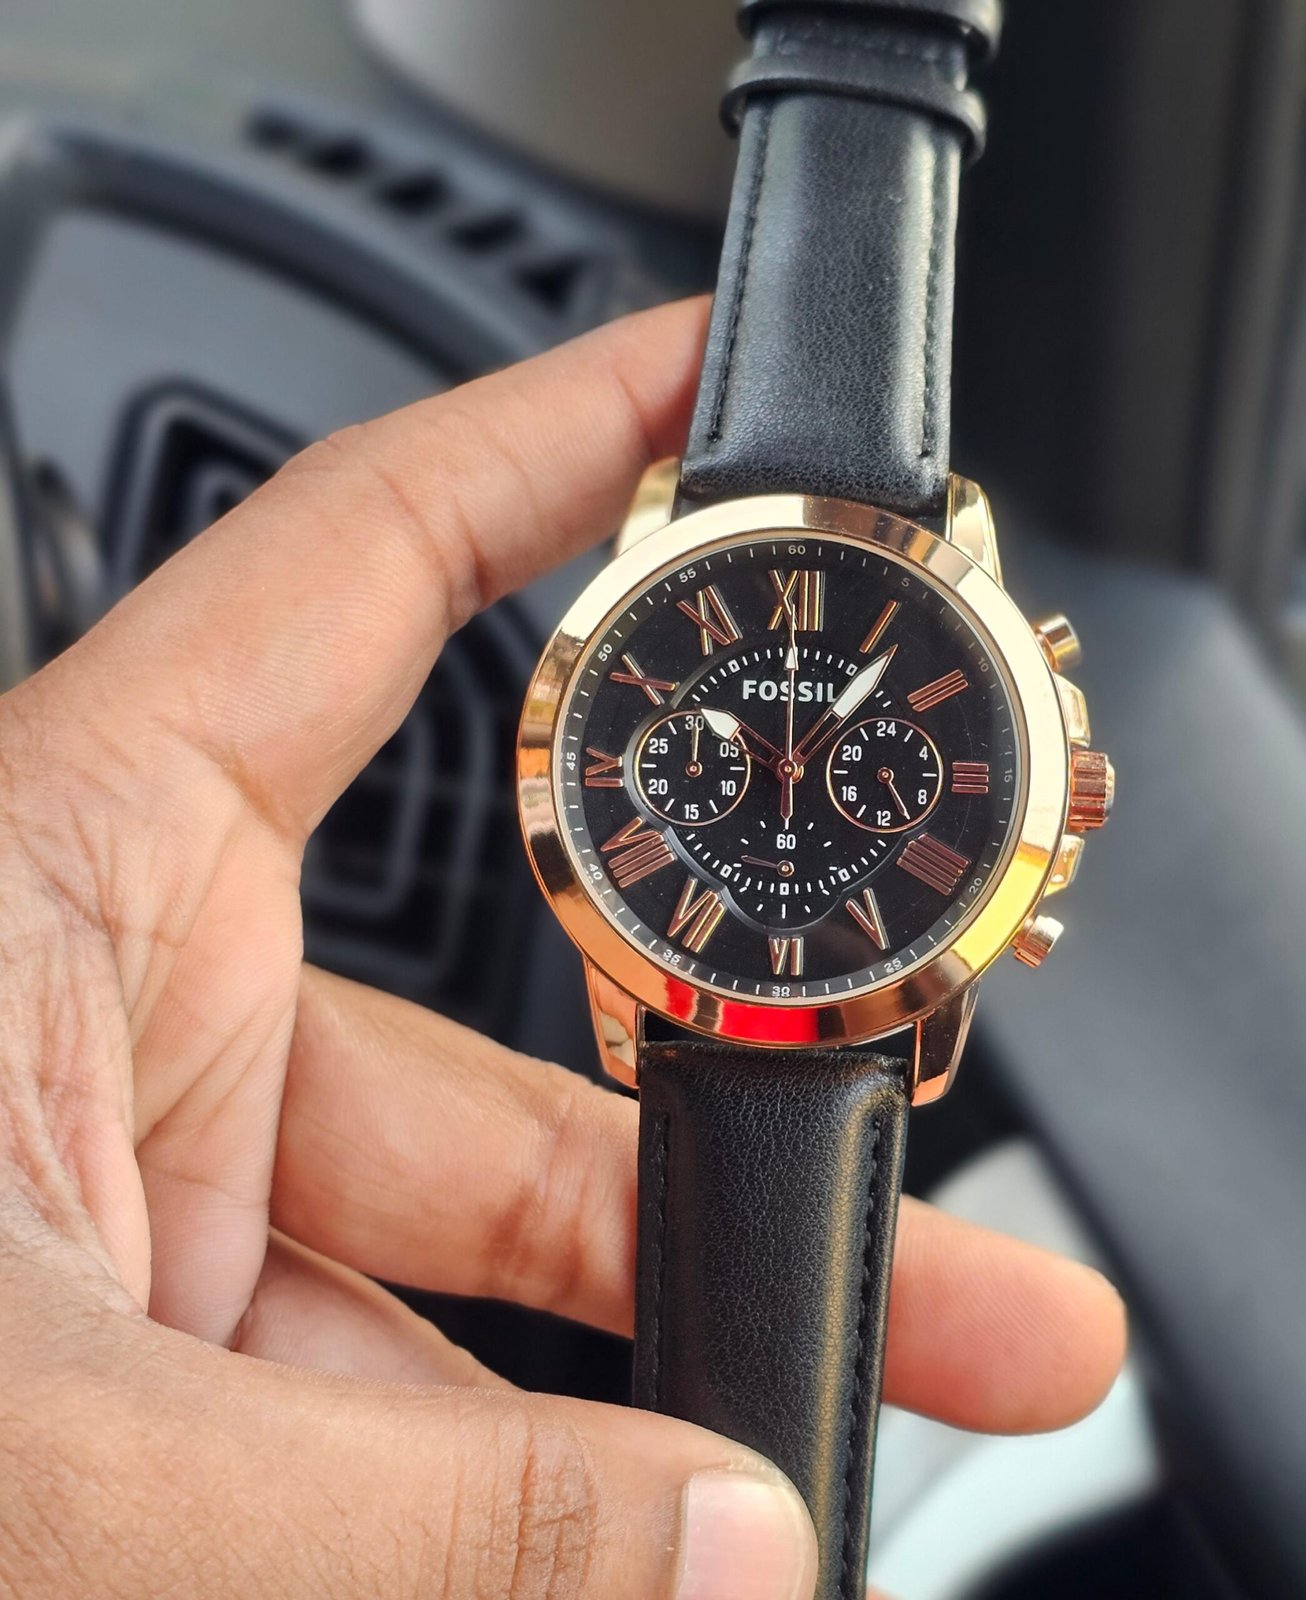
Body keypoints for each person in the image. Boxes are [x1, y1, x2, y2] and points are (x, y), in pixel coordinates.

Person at [0, 300, 1125, 1600]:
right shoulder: (734, 605)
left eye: (824, 767)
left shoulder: (783, 574)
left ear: (1059, 794)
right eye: (757, 763)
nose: (790, 778)